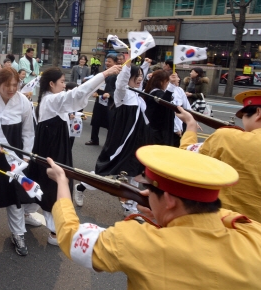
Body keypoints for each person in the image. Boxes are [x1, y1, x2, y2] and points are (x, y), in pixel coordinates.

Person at [50, 144, 261, 289]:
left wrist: (61, 181)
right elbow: (227, 218)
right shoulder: (253, 236)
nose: (145, 192)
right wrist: (169, 214)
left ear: (169, 200)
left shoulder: (136, 240)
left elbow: (72, 236)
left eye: (148, 188)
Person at [30, 65, 121, 245]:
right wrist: (105, 73)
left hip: (56, 148)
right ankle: (54, 231)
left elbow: (79, 96)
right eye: (62, 82)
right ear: (51, 84)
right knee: (52, 184)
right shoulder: (50, 100)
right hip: (52, 151)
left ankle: (29, 212)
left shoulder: (51, 99)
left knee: (46, 181)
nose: (64, 85)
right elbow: (77, 94)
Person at [77, 59, 151, 211]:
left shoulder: (137, 94)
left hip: (135, 142)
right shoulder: (122, 95)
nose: (139, 78)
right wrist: (128, 64)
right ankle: (81, 187)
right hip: (120, 143)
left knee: (133, 173)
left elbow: (140, 82)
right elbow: (121, 83)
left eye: (141, 76)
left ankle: (131, 208)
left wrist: (145, 65)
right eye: (136, 75)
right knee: (106, 174)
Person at [177, 89, 261, 222]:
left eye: (244, 115)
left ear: (258, 113)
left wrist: (191, 126)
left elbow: (186, 156)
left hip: (230, 227)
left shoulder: (228, 137)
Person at [0, 67, 36, 256]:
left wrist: (26, 155)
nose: (11, 89)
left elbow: (28, 131)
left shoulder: (23, 101)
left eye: (15, 85)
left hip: (15, 156)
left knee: (15, 195)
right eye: (7, 85)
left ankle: (18, 233)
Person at [86, 53, 118, 146]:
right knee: (96, 120)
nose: (107, 63)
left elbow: (119, 89)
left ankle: (109, 143)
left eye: (110, 61)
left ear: (115, 63)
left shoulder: (117, 75)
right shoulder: (103, 73)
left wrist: (110, 94)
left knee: (109, 122)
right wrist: (95, 91)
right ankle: (94, 139)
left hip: (110, 102)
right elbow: (97, 84)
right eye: (106, 61)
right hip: (99, 100)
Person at [144, 70, 179, 146]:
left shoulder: (152, 91)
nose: (168, 84)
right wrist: (171, 86)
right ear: (161, 82)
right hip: (157, 133)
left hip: (156, 131)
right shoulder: (156, 92)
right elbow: (164, 102)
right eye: (167, 81)